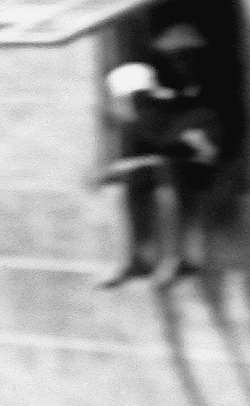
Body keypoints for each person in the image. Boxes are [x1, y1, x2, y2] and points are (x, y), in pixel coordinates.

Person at [98, 25, 227, 289]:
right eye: (175, 58)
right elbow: (152, 149)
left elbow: (203, 148)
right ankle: (137, 257)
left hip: (202, 168)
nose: (180, 63)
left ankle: (174, 257)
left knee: (167, 171)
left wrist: (196, 144)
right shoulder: (147, 114)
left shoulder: (189, 99)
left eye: (184, 56)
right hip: (176, 163)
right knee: (137, 178)